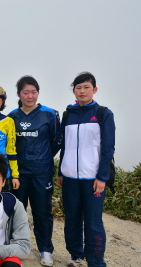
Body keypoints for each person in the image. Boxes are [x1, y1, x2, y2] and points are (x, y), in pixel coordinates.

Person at [58, 72, 115, 267]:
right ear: (73, 91)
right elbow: (65, 146)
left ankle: (96, 261)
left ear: (94, 90)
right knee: (72, 219)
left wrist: (102, 178)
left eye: (86, 87)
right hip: (70, 178)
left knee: (93, 222)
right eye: (78, 87)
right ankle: (76, 255)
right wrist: (61, 172)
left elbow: (108, 149)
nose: (82, 91)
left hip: (93, 179)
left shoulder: (103, 114)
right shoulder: (68, 114)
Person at [8, 76, 62, 266]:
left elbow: (56, 141)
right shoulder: (12, 116)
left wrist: (43, 157)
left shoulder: (50, 114)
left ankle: (46, 249)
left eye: (33, 92)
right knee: (16, 212)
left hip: (42, 172)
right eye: (25, 92)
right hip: (19, 174)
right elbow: (9, 144)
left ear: (38, 93)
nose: (30, 96)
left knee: (42, 212)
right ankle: (15, 249)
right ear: (18, 94)